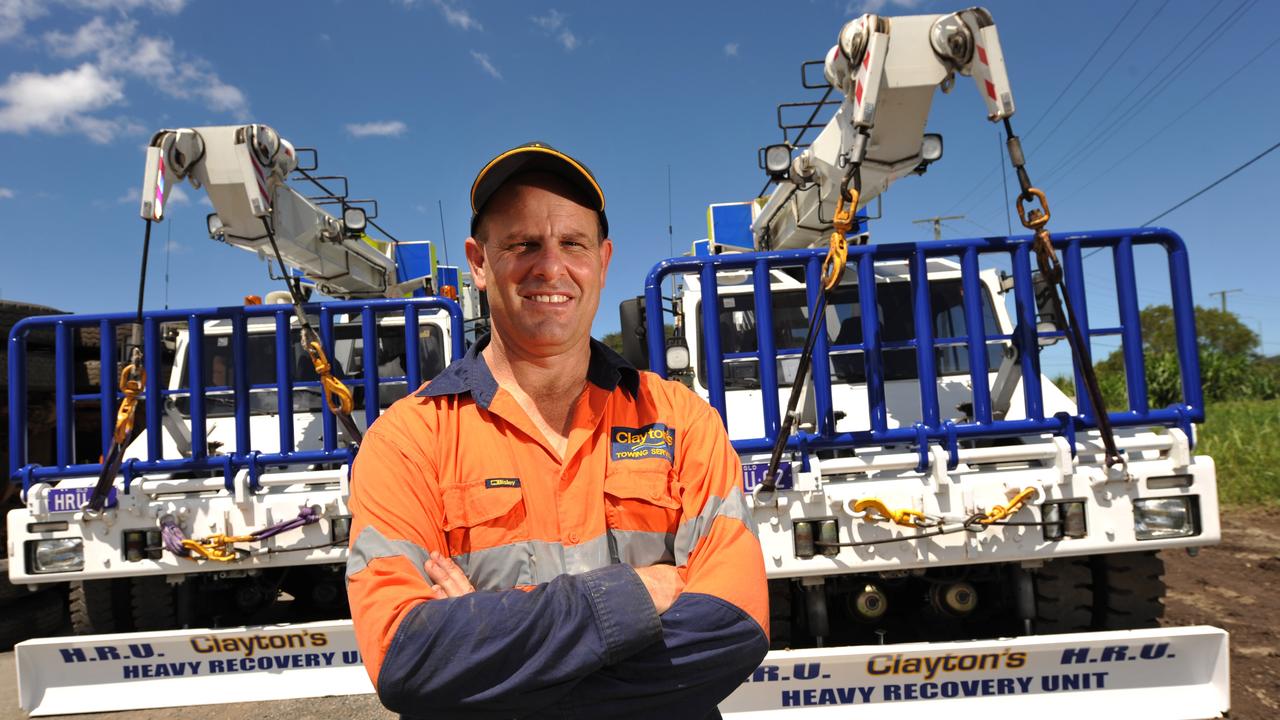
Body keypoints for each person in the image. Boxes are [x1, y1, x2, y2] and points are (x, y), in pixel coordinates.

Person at [345, 142, 768, 719]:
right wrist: (636, 594)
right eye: (523, 244)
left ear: (603, 258)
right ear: (478, 260)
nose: (551, 266)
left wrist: (492, 657)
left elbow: (732, 627)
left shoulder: (682, 420)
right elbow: (409, 657)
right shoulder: (407, 439)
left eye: (573, 243)